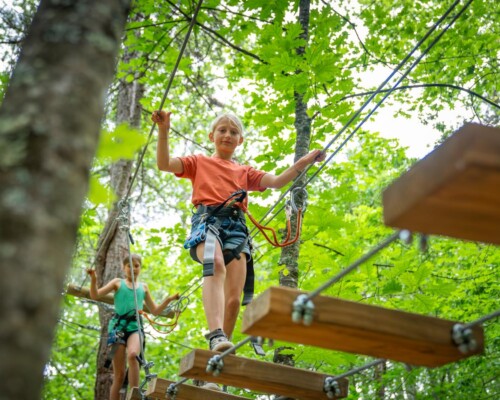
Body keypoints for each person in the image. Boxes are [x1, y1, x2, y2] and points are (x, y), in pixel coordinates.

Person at [152, 110, 325, 353]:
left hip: (236, 227)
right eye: (222, 130)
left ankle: (221, 348)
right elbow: (164, 164)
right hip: (208, 220)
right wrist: (163, 131)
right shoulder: (198, 162)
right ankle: (215, 334)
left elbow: (276, 181)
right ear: (212, 135)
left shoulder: (245, 171)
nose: (227, 135)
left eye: (234, 132)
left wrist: (305, 160)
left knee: (234, 299)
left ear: (240, 140)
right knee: (215, 264)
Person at [88, 254, 179, 400]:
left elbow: (155, 310)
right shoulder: (118, 283)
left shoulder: (143, 287)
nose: (133, 269)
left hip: (135, 327)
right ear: (124, 268)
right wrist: (93, 279)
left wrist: (168, 300)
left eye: (136, 266)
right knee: (119, 375)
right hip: (117, 327)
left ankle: (135, 394)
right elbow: (95, 295)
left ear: (140, 268)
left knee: (133, 355)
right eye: (129, 265)